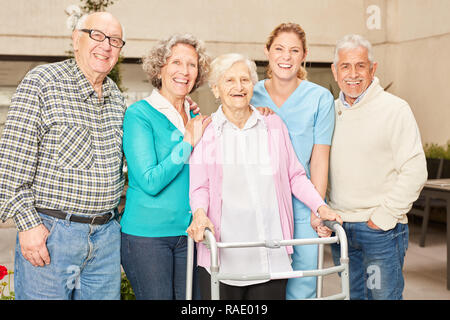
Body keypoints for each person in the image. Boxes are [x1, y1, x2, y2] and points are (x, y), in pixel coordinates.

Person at [187, 53, 342, 300]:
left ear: (253, 85)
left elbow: (296, 175)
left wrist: (320, 206)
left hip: (270, 254)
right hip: (222, 254)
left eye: (245, 80)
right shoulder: (206, 131)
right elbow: (199, 187)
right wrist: (200, 215)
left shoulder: (273, 125)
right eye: (229, 81)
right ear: (216, 89)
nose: (238, 87)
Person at [0, 12, 126, 299]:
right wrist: (28, 224)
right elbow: (9, 165)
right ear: (76, 39)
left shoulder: (116, 97)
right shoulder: (43, 82)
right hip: (53, 233)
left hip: (105, 238)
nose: (105, 46)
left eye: (115, 41)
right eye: (97, 35)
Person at [328, 34, 428, 300]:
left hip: (380, 231)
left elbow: (415, 169)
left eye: (360, 65)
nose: (353, 74)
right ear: (334, 71)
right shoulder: (329, 112)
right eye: (345, 66)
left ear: (373, 69)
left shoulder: (395, 110)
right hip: (342, 232)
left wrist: (383, 217)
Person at [119, 33, 212, 300]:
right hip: (147, 238)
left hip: (188, 236)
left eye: (192, 64)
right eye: (176, 62)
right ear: (160, 67)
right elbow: (149, 180)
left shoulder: (195, 116)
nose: (184, 71)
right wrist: (187, 142)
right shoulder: (139, 114)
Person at [251, 22, 335, 299]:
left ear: (304, 55)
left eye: (294, 50)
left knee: (302, 287)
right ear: (267, 51)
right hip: (259, 207)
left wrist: (316, 208)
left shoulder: (320, 98)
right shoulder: (249, 94)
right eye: (279, 49)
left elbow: (320, 158)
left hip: (302, 207)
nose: (286, 57)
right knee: (263, 287)